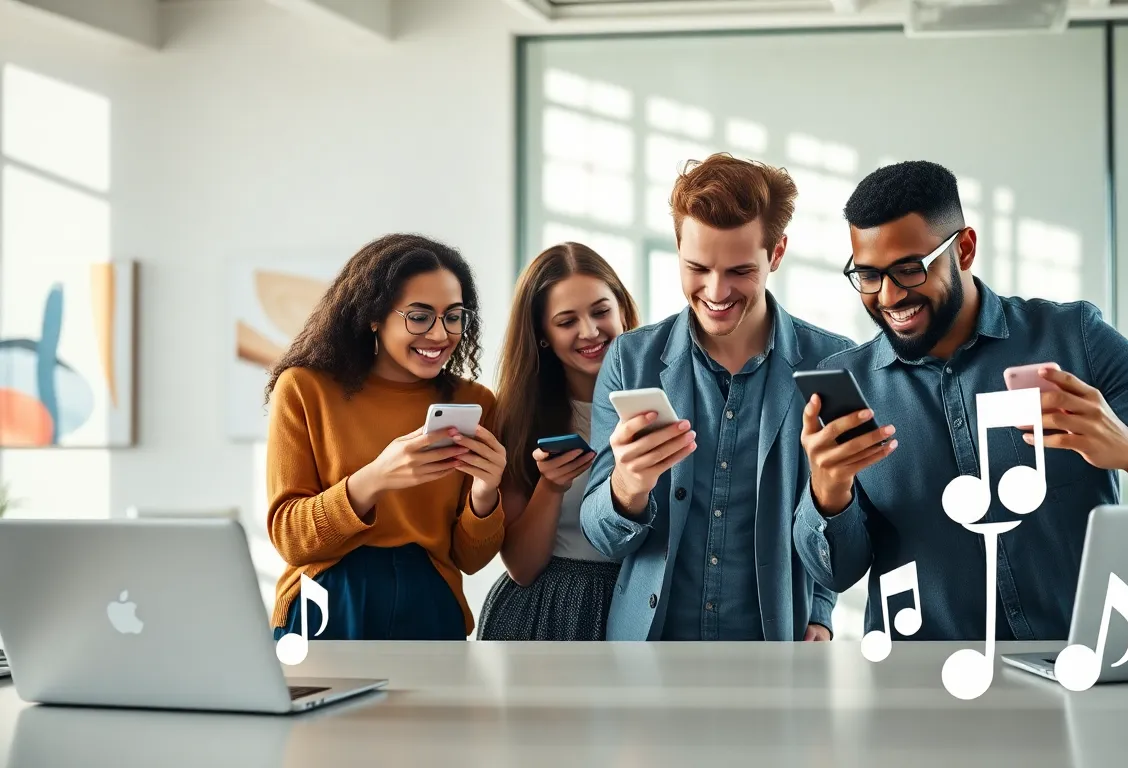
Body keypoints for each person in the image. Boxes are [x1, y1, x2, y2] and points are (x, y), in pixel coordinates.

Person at [793, 160, 1128, 643]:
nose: (889, 296)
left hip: (1080, 672)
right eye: (868, 275)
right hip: (925, 692)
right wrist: (828, 495)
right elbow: (835, 574)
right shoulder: (849, 386)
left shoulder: (1077, 340)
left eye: (910, 270)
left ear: (965, 249)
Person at [580, 152, 852, 642]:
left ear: (778, 253)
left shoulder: (831, 364)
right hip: (649, 649)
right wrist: (628, 485)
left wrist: (823, 611)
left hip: (776, 649)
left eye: (739, 270)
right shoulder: (630, 359)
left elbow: (845, 530)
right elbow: (601, 537)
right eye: (697, 267)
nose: (715, 290)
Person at [264, 233, 508, 642]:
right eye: (419, 315)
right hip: (325, 600)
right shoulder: (304, 389)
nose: (439, 334)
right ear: (374, 315)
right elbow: (291, 538)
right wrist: (375, 477)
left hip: (431, 602)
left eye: (453, 316)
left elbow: (470, 559)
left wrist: (485, 494)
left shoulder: (475, 401)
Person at [476, 242, 641, 640]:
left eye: (601, 311)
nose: (589, 331)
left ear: (622, 310)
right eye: (566, 321)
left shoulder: (665, 399)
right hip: (543, 611)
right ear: (543, 335)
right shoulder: (518, 418)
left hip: (642, 602)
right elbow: (522, 567)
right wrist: (551, 485)